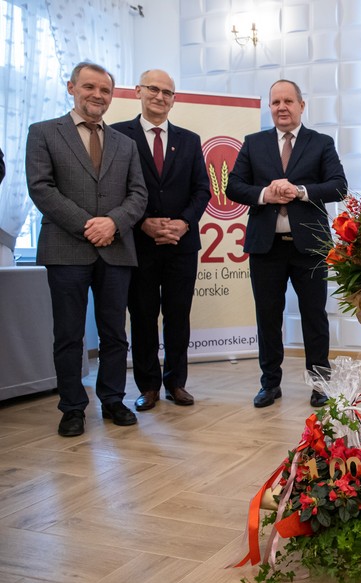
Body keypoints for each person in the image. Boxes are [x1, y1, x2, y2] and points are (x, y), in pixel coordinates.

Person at [25, 62, 148, 437]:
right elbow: (41, 187)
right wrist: (87, 225)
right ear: (71, 87)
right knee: (69, 334)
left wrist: (113, 222)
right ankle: (72, 407)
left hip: (116, 248)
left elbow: (138, 194)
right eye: (89, 87)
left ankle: (113, 399)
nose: (97, 95)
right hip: (66, 248)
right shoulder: (43, 132)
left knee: (115, 333)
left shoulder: (125, 144)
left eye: (105, 90)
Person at [226, 80, 347, 409]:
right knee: (267, 318)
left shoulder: (320, 143)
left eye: (288, 101)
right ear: (270, 106)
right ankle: (269, 384)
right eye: (276, 101)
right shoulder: (254, 143)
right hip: (266, 247)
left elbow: (339, 186)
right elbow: (233, 187)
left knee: (314, 316)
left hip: (309, 247)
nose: (282, 107)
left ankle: (320, 384)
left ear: (301, 105)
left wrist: (300, 191)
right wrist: (265, 194)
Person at [111, 69, 211, 411]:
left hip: (182, 245)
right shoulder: (118, 136)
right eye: (153, 89)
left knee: (178, 315)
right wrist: (142, 223)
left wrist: (183, 223)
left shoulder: (190, 139)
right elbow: (112, 189)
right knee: (141, 316)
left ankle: (176, 383)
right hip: (137, 244)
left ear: (174, 98)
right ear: (138, 91)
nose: (160, 96)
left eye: (167, 92)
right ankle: (148, 386)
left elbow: (202, 189)